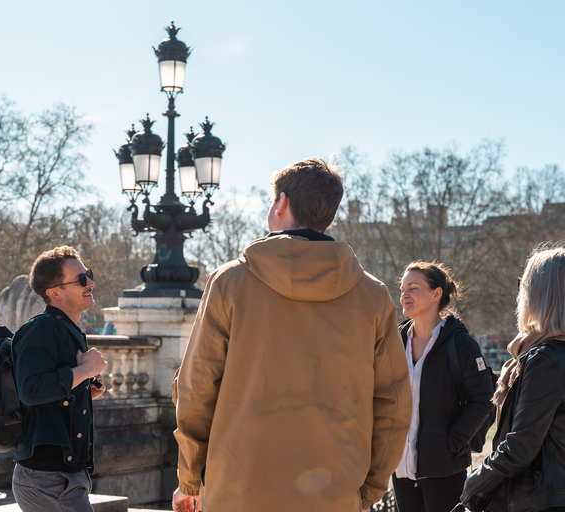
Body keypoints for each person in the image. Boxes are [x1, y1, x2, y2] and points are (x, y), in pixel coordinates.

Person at [172, 158, 413, 512]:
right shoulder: (372, 296)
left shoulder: (230, 282)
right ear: (328, 218)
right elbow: (394, 406)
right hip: (333, 492)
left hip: (236, 491)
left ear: (281, 203)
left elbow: (197, 388)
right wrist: (369, 488)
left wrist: (189, 478)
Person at [461, 246, 565, 512]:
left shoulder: (545, 359)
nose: (520, 293)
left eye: (524, 285)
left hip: (540, 499)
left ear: (542, 294)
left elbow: (520, 446)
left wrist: (473, 486)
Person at [391, 262, 494, 512]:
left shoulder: (460, 344)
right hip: (400, 467)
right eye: (403, 288)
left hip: (444, 470)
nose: (404, 294)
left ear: (437, 293)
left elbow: (482, 399)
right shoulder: (394, 342)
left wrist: (452, 443)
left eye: (413, 288)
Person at [11, 246, 108, 512]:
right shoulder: (42, 328)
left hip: (64, 475)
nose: (90, 282)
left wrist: (84, 391)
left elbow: (51, 396)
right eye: (80, 279)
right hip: (47, 479)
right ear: (54, 293)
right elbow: (30, 389)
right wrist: (84, 372)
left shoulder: (67, 329)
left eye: (87, 274)